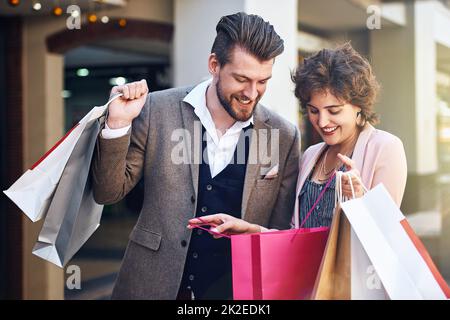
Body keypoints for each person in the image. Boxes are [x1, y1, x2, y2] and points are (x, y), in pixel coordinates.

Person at [91, 12, 300, 300]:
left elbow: (279, 236)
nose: (252, 93)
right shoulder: (156, 109)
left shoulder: (284, 135)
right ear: (214, 65)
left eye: (263, 81)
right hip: (151, 286)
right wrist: (117, 124)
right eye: (242, 79)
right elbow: (107, 192)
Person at [190, 43, 407, 236]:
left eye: (334, 110)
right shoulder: (311, 155)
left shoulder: (386, 148)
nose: (322, 122)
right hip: (307, 281)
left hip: (351, 281)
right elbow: (295, 235)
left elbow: (387, 235)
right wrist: (250, 229)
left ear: (359, 105)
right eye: (314, 110)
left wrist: (360, 199)